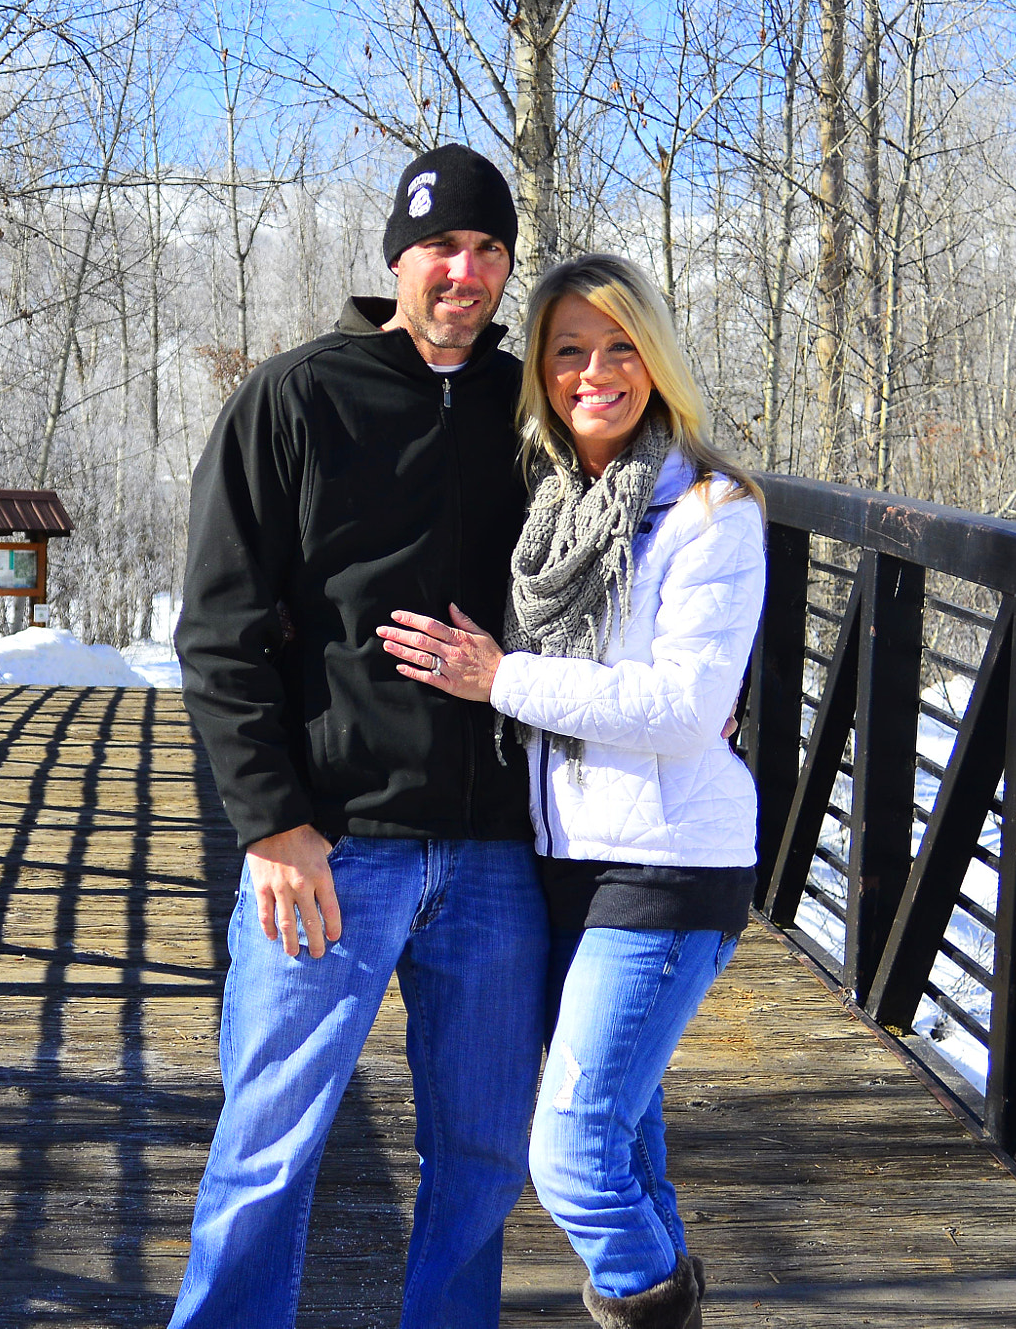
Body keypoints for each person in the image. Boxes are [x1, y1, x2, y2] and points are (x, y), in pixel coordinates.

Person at [169, 143, 548, 1329]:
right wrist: (272, 823)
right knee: (268, 1149)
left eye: (489, 250)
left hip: (494, 854)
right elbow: (217, 631)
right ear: (398, 257)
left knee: (483, 1159)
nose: (466, 272)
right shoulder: (296, 397)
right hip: (334, 849)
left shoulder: (531, 409)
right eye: (444, 246)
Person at [377, 253, 765, 1329]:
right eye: (566, 351)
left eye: (618, 347)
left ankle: (658, 1310)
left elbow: (687, 706)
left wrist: (500, 677)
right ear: (538, 373)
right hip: (563, 861)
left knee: (574, 1153)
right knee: (630, 1142)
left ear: (655, 358)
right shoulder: (550, 502)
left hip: (667, 863)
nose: (593, 372)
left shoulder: (709, 509)